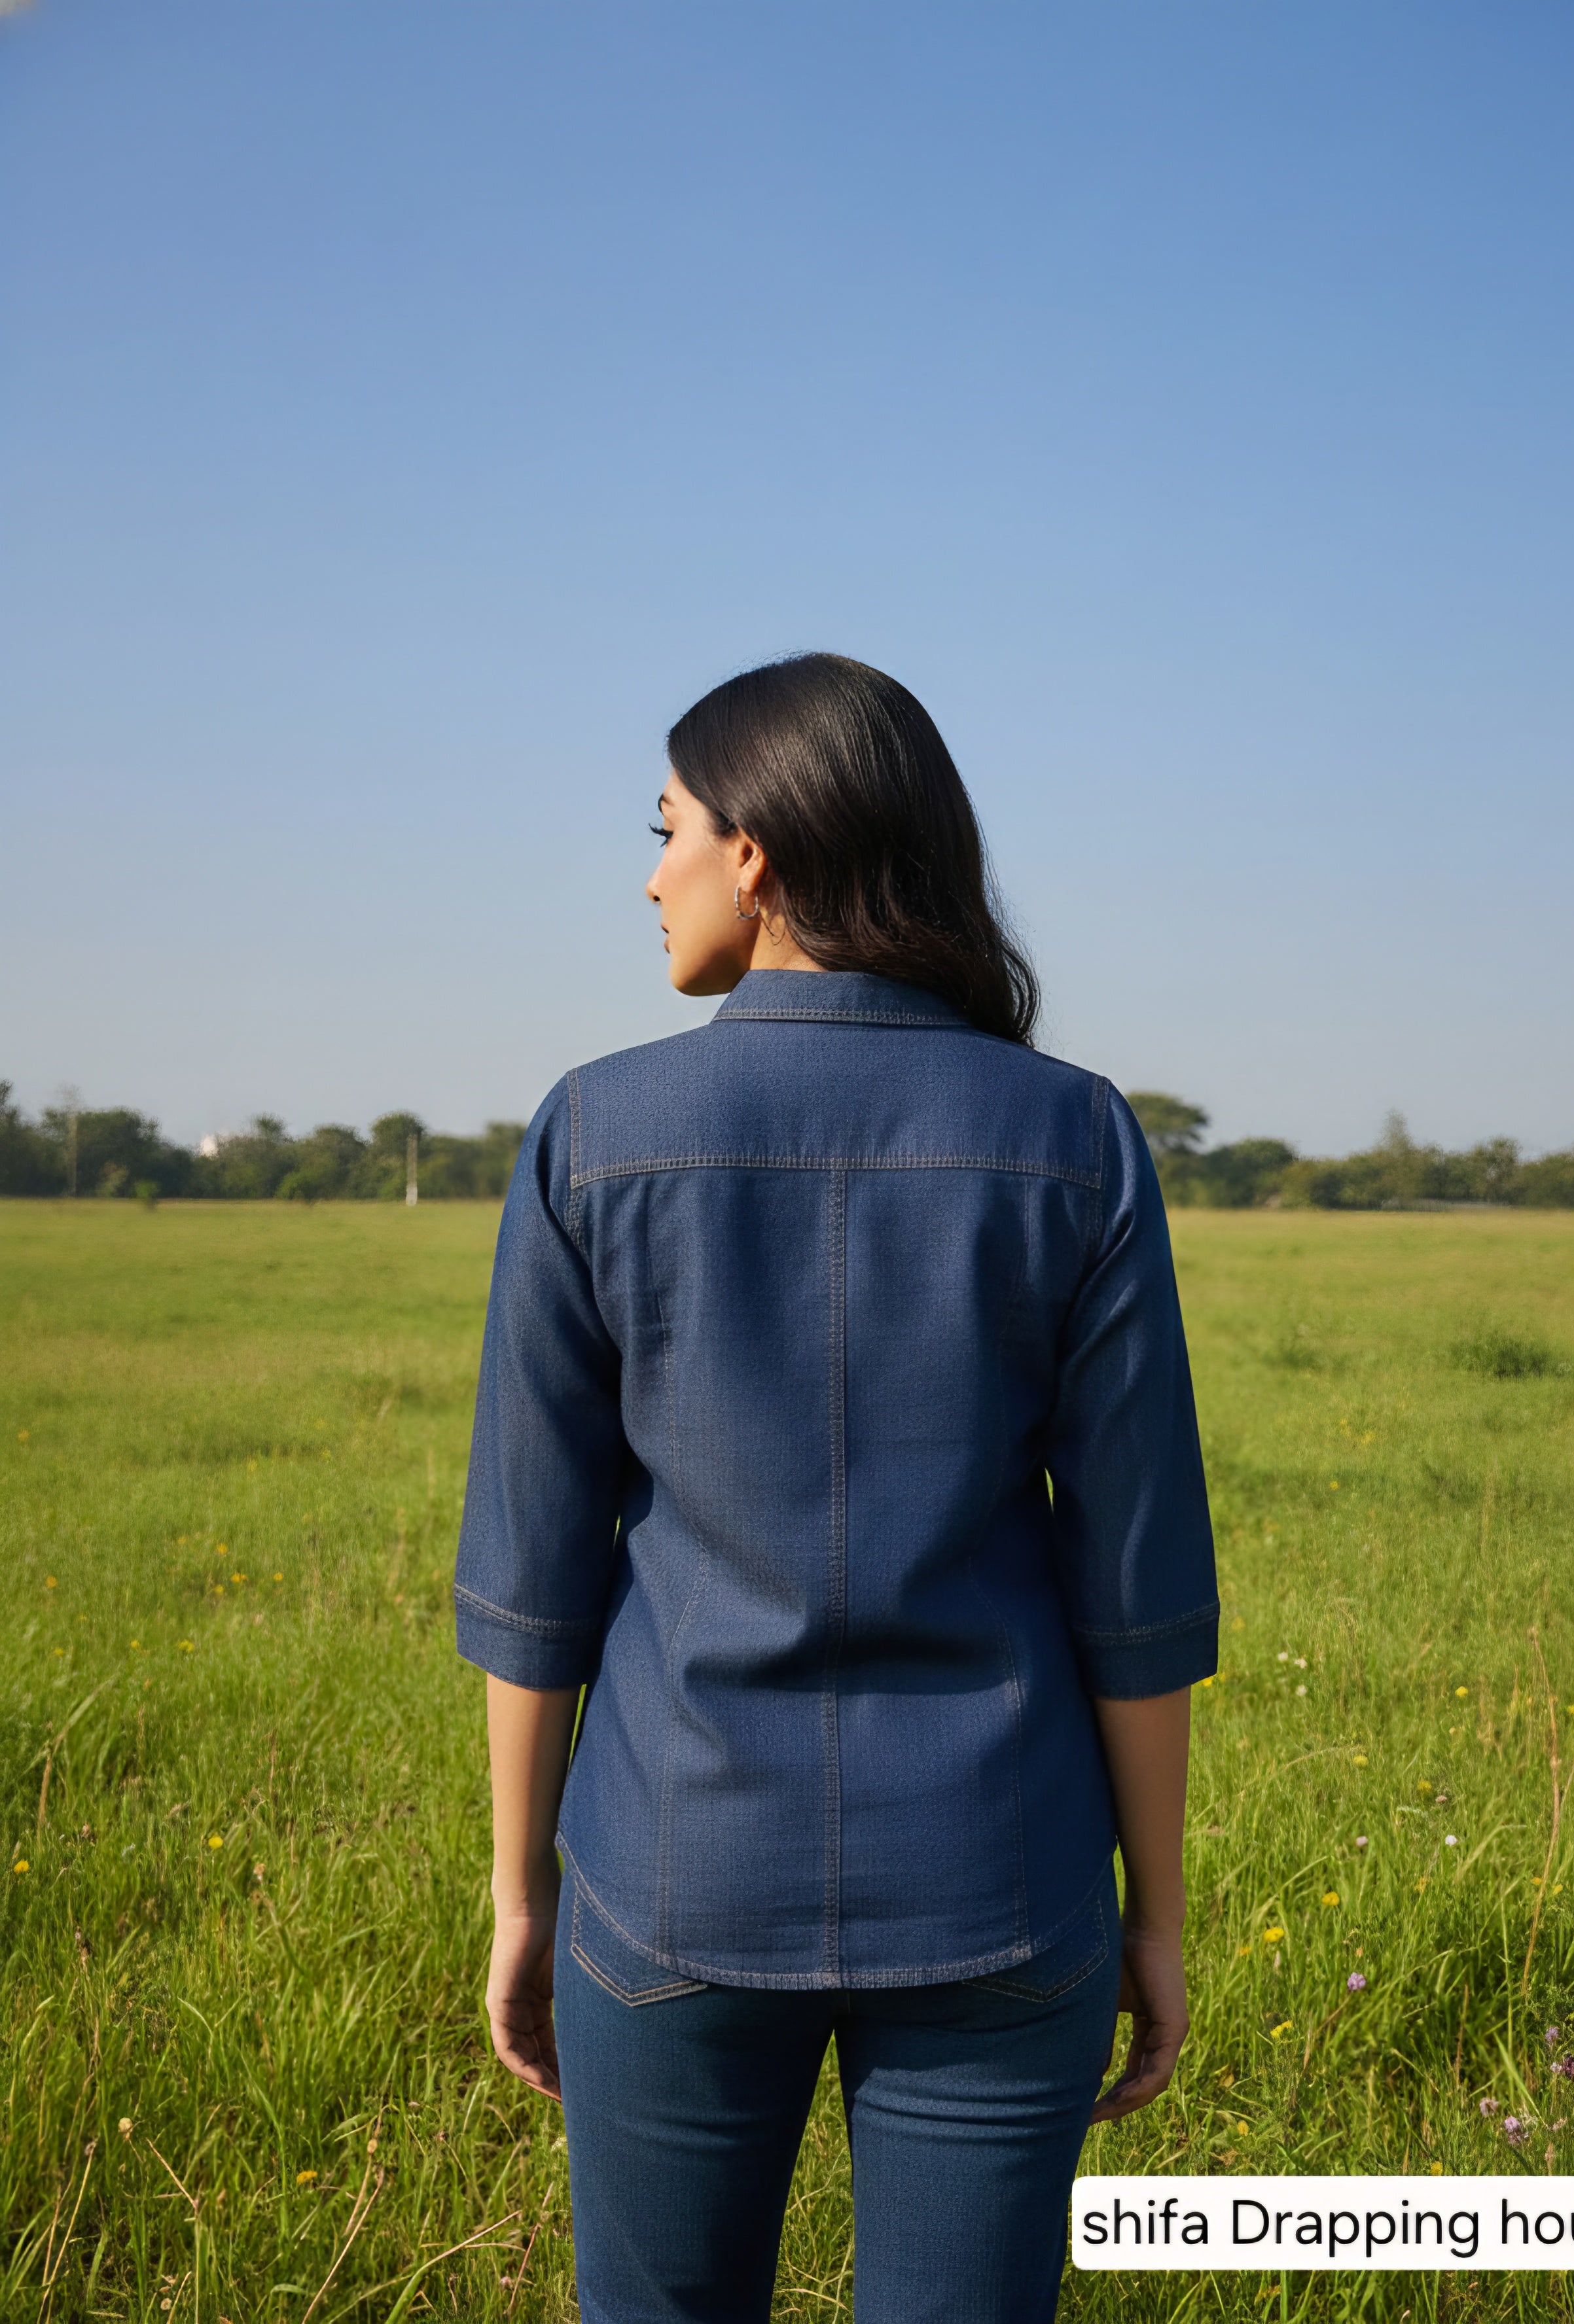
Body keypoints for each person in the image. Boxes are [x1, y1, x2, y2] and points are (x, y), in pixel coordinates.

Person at [454, 652, 1217, 2324]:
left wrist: (522, 1895)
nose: (645, 871)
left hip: (665, 1882)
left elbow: (537, 1574)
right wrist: (1154, 1914)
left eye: (665, 827)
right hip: (1006, 1884)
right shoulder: (1077, 1141)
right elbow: (1136, 1589)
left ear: (760, 854)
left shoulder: (594, 1135)